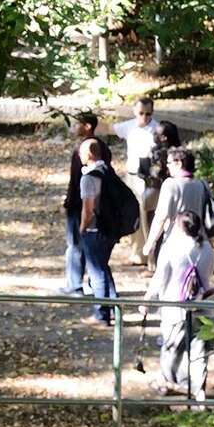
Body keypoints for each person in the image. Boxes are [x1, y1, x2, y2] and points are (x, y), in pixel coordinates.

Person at [146, 207, 214, 398]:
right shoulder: (207, 248)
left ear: (180, 227)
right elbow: (211, 270)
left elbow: (160, 277)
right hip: (202, 305)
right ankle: (198, 390)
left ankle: (166, 382)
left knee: (171, 345)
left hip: (174, 307)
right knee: (199, 349)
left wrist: (147, 299)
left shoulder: (171, 246)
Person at [143, 146, 214, 263]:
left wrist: (150, 242)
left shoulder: (170, 185)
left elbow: (161, 217)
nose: (167, 166)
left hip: (175, 242)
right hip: (200, 243)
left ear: (179, 164)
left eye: (169, 162)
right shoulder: (202, 184)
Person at [77, 133, 120, 326]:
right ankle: (114, 307)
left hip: (95, 230)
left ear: (88, 155)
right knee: (103, 268)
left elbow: (88, 209)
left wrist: (82, 228)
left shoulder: (88, 179)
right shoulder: (108, 172)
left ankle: (101, 314)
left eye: (81, 153)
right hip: (111, 229)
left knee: (96, 272)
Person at [119, 95, 158, 264]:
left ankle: (151, 258)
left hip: (147, 178)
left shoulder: (156, 130)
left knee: (148, 217)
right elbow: (108, 129)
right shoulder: (130, 127)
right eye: (141, 113)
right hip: (131, 176)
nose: (144, 117)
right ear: (135, 112)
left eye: (148, 114)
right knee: (133, 214)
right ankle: (136, 254)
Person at [62, 111, 96, 294]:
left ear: (87, 126)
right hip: (97, 204)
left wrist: (67, 204)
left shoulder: (82, 151)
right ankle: (93, 284)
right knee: (91, 245)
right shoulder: (101, 148)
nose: (74, 127)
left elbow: (75, 181)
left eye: (77, 124)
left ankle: (74, 285)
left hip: (79, 205)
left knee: (75, 245)